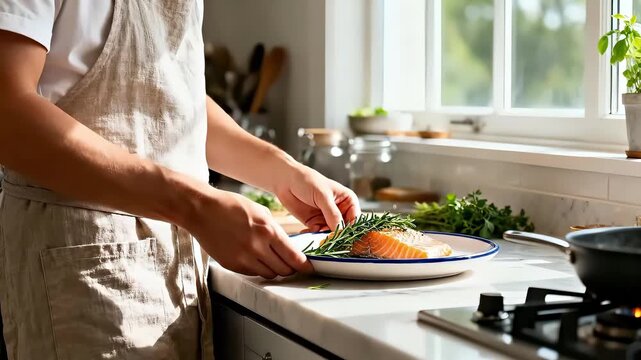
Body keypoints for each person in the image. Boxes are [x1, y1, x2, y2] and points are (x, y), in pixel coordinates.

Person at [0, 1, 360, 359]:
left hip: (176, 271)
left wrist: (282, 170)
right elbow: (8, 116)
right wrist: (196, 206)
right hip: (82, 271)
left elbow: (166, 97)